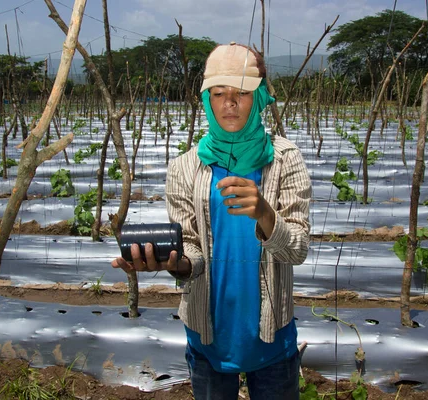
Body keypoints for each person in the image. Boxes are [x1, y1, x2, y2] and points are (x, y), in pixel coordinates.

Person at [112, 42, 312, 400]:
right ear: (207, 99)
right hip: (208, 335)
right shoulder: (185, 167)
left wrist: (264, 212)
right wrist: (175, 263)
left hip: (272, 336)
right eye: (219, 93)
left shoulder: (285, 160)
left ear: (261, 97)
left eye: (241, 93)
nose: (229, 103)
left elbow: (297, 249)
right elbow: (192, 250)